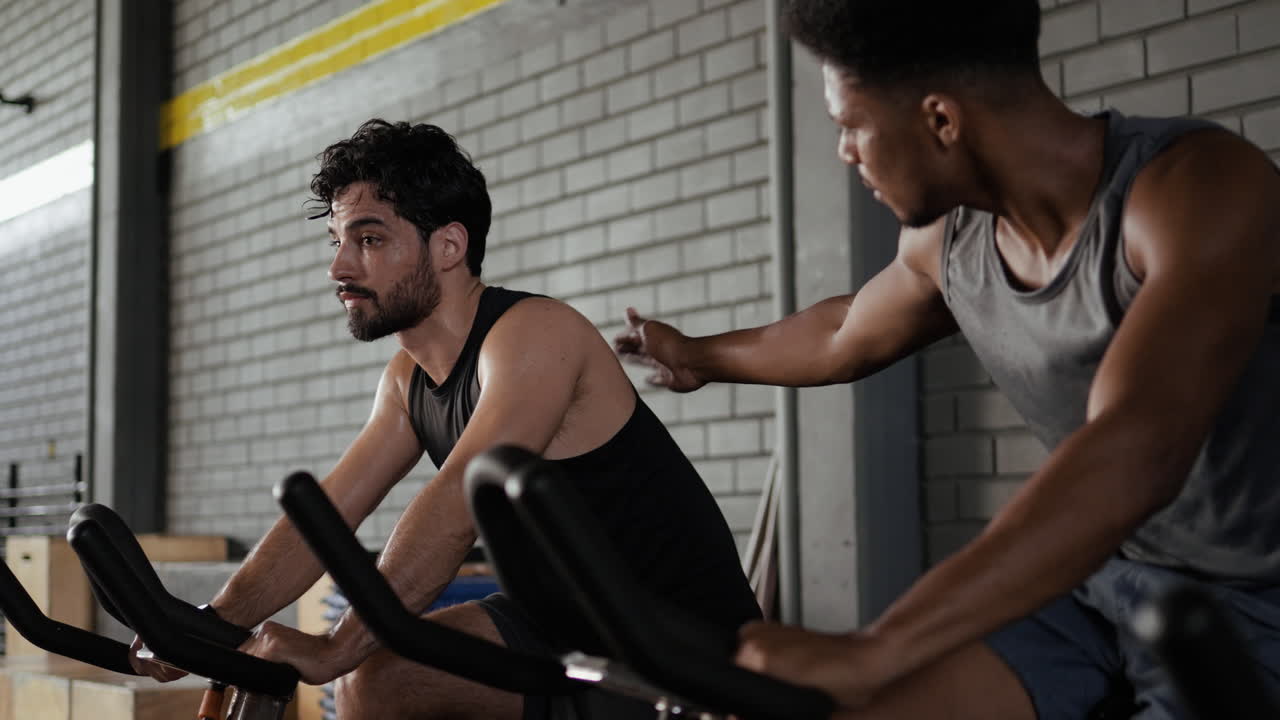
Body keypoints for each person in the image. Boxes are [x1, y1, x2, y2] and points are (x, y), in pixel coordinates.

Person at [615, 1, 1280, 718]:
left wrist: (877, 648)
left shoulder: (1198, 189)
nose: (845, 152)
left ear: (940, 119)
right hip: (1102, 582)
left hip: (1257, 601)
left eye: (851, 126)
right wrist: (697, 356)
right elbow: (842, 331)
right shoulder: (953, 241)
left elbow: (1136, 447)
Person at [131, 119, 762, 719]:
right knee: (382, 680)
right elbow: (328, 514)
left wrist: (340, 646)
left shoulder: (535, 333)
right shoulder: (406, 381)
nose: (339, 267)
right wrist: (211, 624)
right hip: (558, 628)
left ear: (449, 246)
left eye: (369, 240)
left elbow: (455, 504)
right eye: (337, 242)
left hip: (677, 648)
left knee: (369, 674)